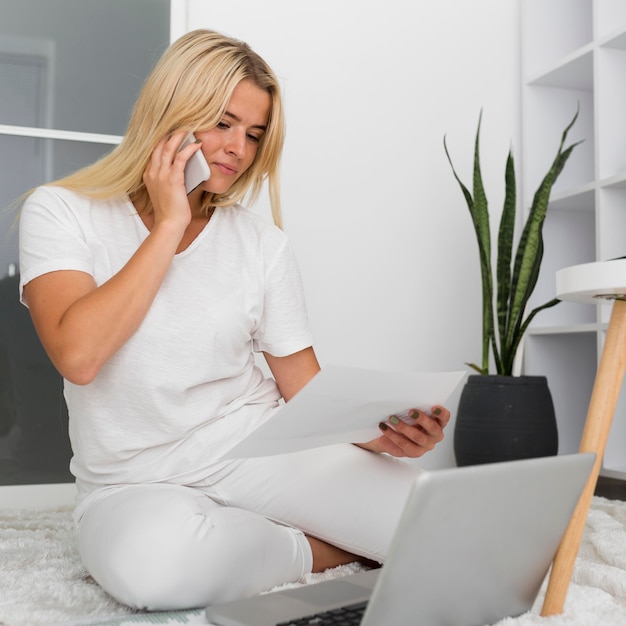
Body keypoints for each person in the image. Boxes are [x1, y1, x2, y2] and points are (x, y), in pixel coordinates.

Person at [18, 29, 451, 611]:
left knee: (445, 527)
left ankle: (257, 531)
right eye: (222, 123)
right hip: (132, 480)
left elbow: (305, 392)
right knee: (158, 574)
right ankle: (315, 549)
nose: (238, 150)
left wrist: (387, 438)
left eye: (253, 134)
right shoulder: (61, 210)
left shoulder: (260, 244)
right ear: (171, 112)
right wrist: (170, 224)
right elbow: (79, 355)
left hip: (255, 447)